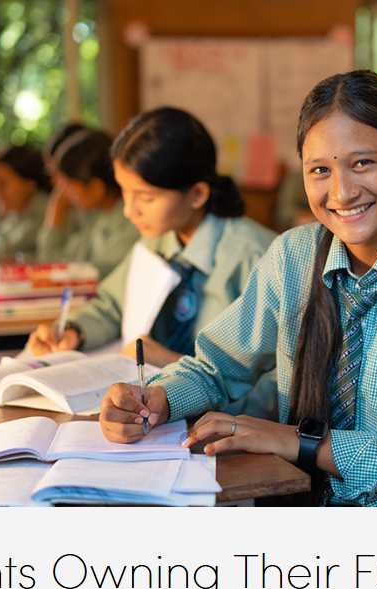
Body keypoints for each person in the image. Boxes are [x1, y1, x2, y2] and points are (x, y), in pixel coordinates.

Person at [99, 71, 377, 507]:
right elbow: (216, 366)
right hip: (301, 498)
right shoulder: (293, 257)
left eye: (362, 163)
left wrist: (303, 443)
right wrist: (155, 399)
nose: (342, 192)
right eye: (320, 170)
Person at [26, 107, 278, 415]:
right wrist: (75, 330)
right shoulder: (157, 240)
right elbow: (112, 304)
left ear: (197, 194)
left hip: (230, 430)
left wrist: (172, 364)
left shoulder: (259, 257)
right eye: (124, 192)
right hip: (154, 418)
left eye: (146, 197)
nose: (129, 211)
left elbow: (276, 391)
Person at [35, 129, 139, 279]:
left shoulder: (129, 224)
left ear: (95, 188)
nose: (63, 192)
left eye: (69, 185)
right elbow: (55, 262)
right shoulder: (99, 218)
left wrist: (56, 212)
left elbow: (92, 275)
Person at [0, 144, 51, 260]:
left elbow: (3, 250)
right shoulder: (17, 215)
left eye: (1, 183)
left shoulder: (46, 213)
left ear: (29, 184)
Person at [37, 122, 90, 258]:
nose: (54, 181)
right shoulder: (76, 209)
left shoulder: (94, 212)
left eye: (59, 172)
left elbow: (49, 259)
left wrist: (57, 209)